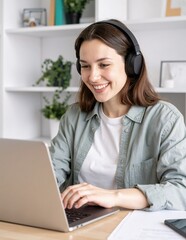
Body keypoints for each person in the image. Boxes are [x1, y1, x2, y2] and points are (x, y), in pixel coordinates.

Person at [49, 19, 186, 211]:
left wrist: (113, 197)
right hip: (80, 223)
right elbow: (50, 174)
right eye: (85, 66)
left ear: (132, 65)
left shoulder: (165, 119)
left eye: (104, 64)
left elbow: (181, 191)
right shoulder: (74, 116)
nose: (93, 76)